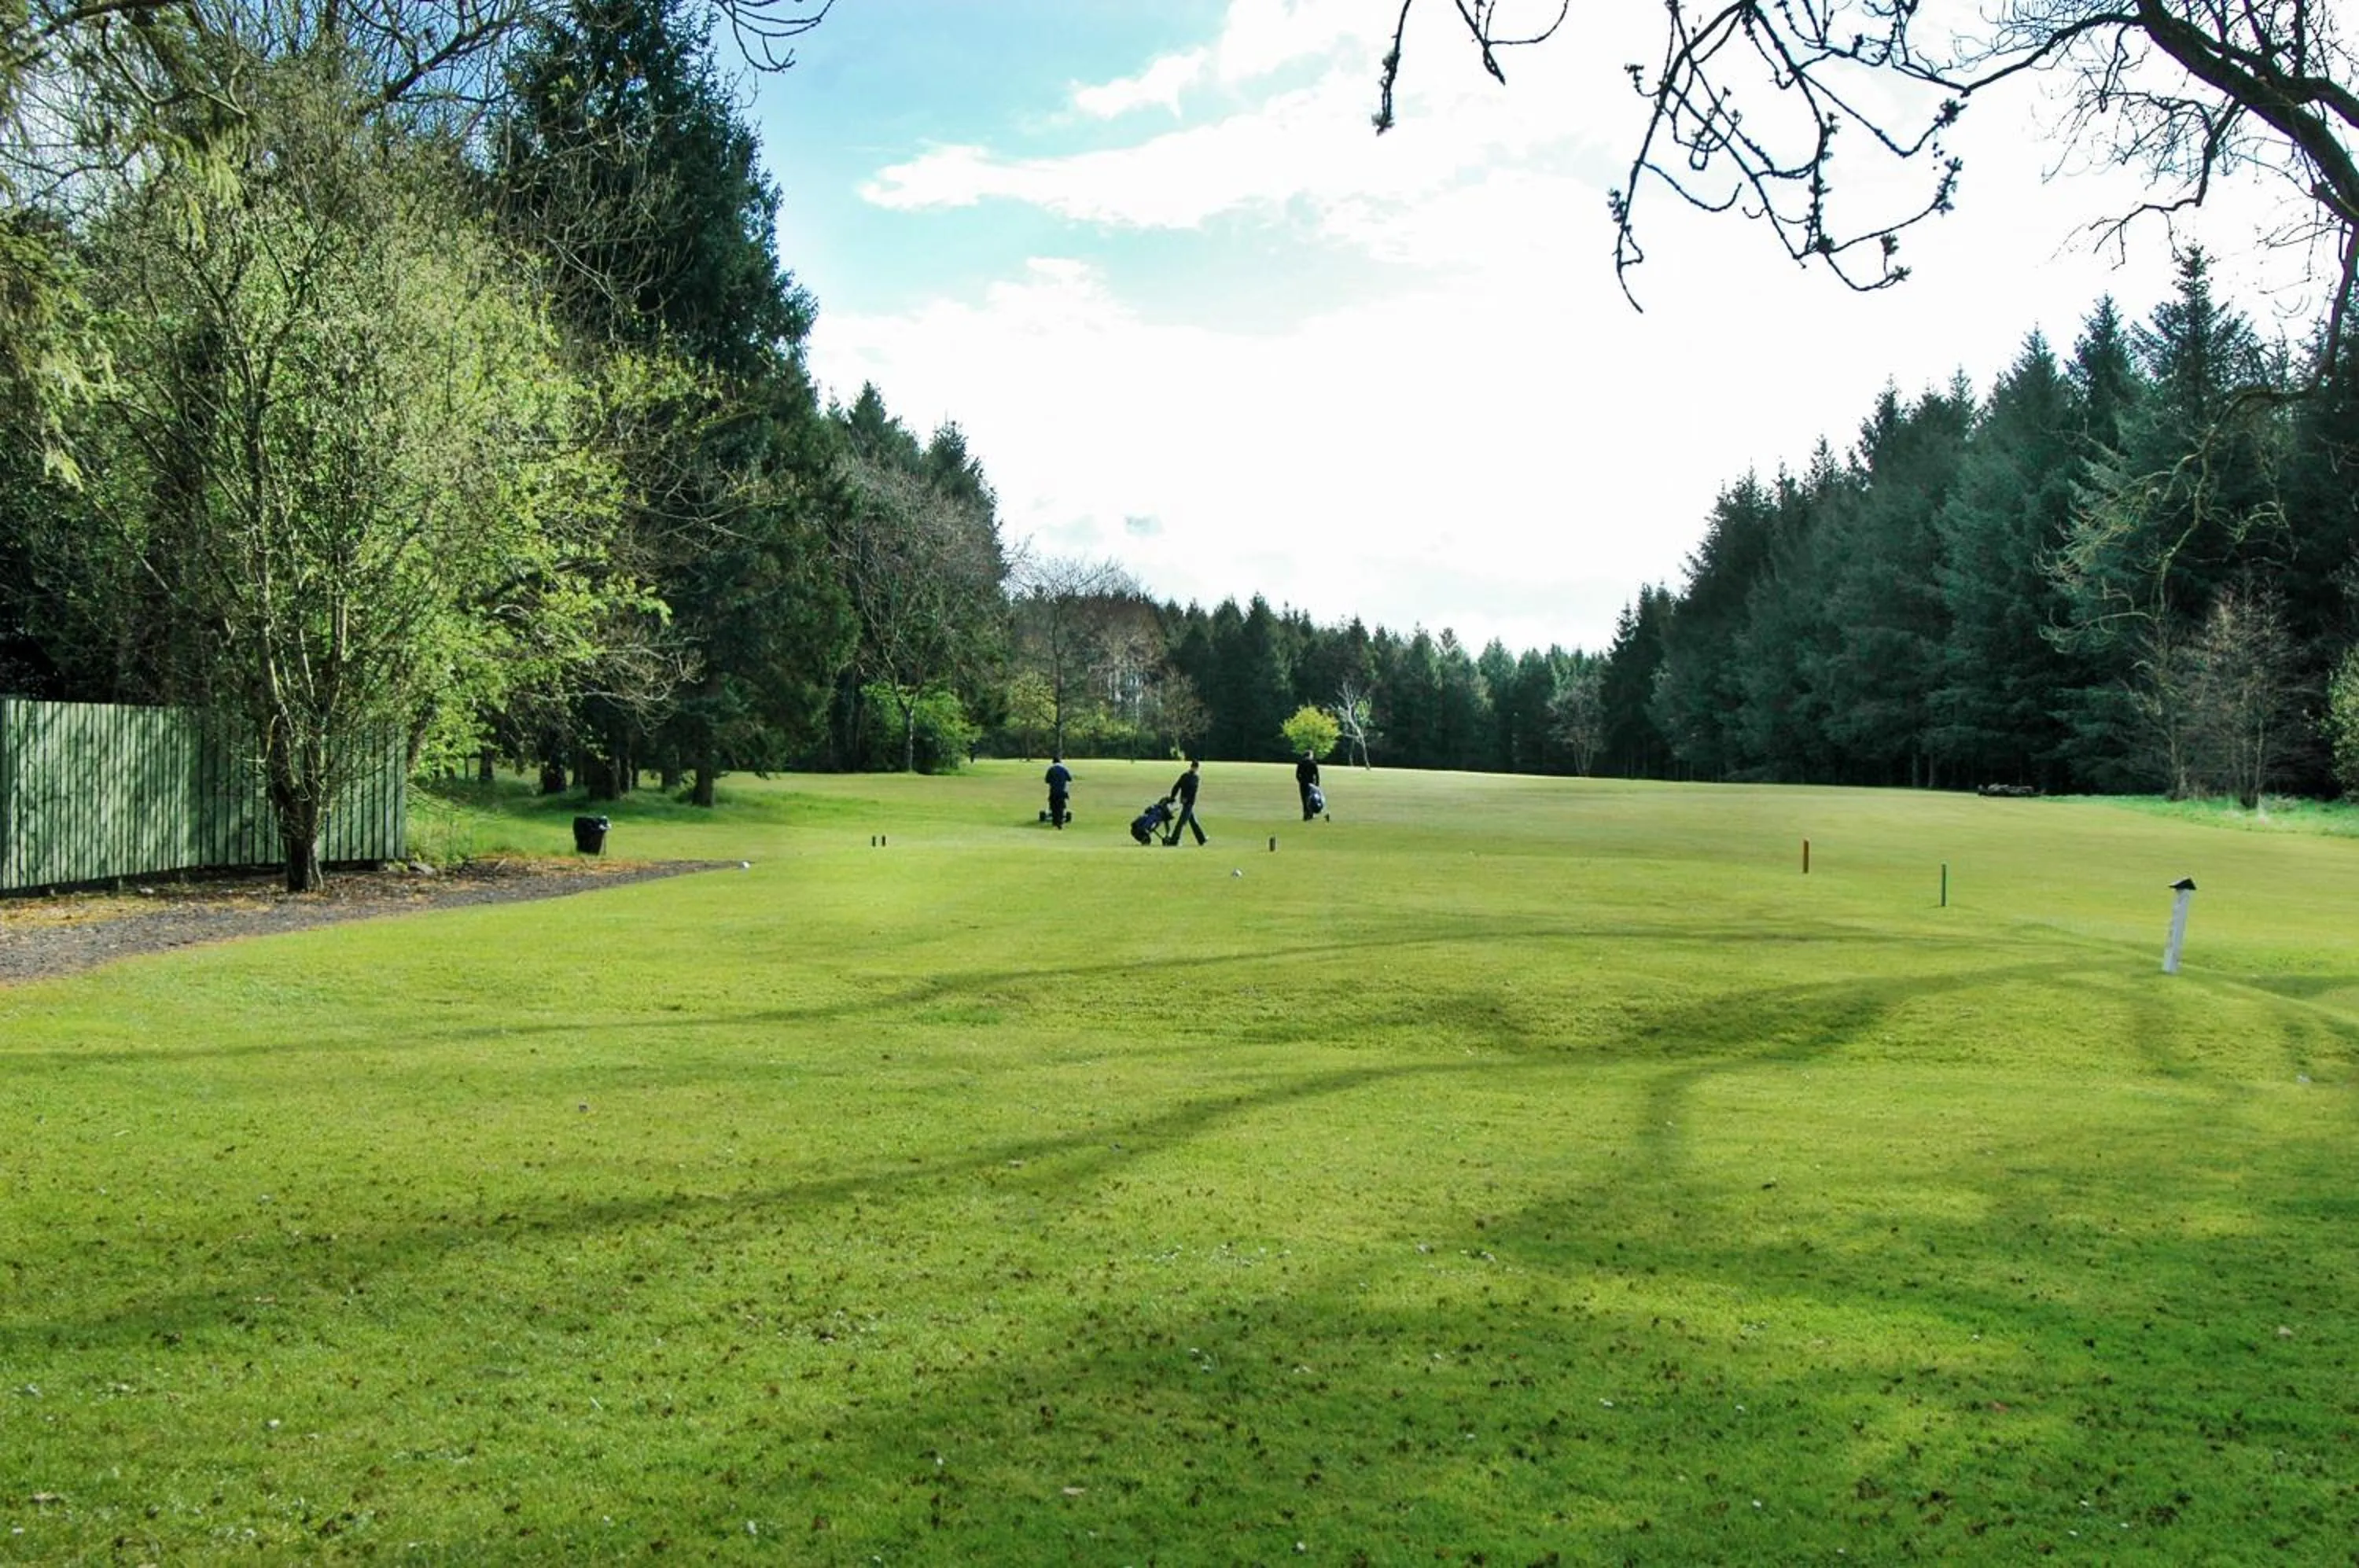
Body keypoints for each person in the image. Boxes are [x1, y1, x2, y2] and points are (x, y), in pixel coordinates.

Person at [1163, 758, 1206, 845]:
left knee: (1193, 821)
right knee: (1182, 822)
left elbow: (1176, 786)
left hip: (1184, 801)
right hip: (1189, 803)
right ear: (1196, 768)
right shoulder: (1195, 778)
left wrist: (1173, 797)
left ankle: (1202, 839)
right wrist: (1186, 799)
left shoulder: (1184, 776)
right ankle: (1174, 841)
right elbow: (1193, 791)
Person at [1043, 755, 1073, 828]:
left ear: (1053, 762)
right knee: (1061, 806)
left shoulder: (1051, 770)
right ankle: (1060, 822)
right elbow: (1070, 779)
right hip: (1062, 791)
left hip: (1053, 791)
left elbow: (1047, 780)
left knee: (1054, 806)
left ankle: (1055, 822)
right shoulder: (1064, 769)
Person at [1295, 749, 1323, 821]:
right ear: (1310, 755)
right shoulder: (1313, 763)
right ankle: (1310, 814)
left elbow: (1297, 774)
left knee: (1304, 799)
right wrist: (1317, 784)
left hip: (1303, 784)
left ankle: (1305, 814)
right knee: (1311, 799)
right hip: (1311, 784)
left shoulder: (1301, 763)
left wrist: (1300, 781)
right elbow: (1316, 775)